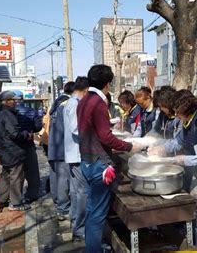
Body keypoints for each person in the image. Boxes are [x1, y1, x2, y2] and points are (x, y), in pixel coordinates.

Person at [148, 90, 197, 252]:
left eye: (178, 112)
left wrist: (184, 160)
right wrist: (162, 147)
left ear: (187, 111)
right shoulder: (187, 123)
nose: (176, 116)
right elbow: (178, 141)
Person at [77, 64, 140, 252]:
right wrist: (130, 146)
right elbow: (105, 137)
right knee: (97, 214)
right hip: (99, 165)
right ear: (108, 83)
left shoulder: (84, 100)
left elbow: (94, 131)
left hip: (87, 161)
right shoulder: (98, 102)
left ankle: (93, 246)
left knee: (91, 210)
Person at [0, 91, 31, 211]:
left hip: (4, 151)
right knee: (16, 176)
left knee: (5, 176)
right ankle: (16, 203)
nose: (15, 102)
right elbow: (15, 134)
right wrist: (26, 134)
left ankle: (1, 200)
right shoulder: (8, 115)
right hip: (13, 151)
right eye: (12, 100)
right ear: (6, 102)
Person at [63, 76, 89, 240]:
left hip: (73, 154)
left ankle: (75, 220)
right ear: (85, 90)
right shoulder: (74, 105)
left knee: (75, 191)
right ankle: (79, 228)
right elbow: (76, 129)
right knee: (83, 192)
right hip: (77, 154)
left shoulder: (71, 103)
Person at [48, 81, 74, 221]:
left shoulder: (56, 104)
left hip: (53, 146)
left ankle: (58, 203)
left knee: (55, 178)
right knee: (63, 179)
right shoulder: (67, 105)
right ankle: (63, 209)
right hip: (63, 148)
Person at [13, 91, 43, 203]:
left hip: (15, 146)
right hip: (29, 144)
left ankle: (16, 196)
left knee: (16, 173)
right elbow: (38, 127)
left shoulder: (11, 113)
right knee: (32, 172)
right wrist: (30, 131)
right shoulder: (31, 111)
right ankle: (32, 194)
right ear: (22, 99)